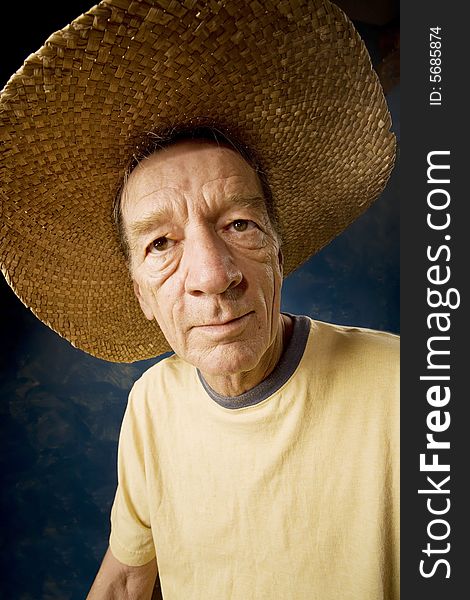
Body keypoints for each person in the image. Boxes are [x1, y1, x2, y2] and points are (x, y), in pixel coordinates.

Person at [0, 1, 398, 598]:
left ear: (279, 253)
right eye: (161, 243)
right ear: (141, 295)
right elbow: (129, 578)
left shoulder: (411, 390)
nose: (212, 275)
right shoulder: (150, 408)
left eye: (239, 224)